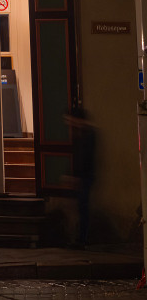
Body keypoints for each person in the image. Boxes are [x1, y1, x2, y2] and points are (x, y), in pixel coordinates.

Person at [66, 105, 98, 245]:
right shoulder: (82, 133)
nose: (69, 123)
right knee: (81, 207)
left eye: (70, 120)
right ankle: (81, 237)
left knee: (83, 208)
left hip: (85, 176)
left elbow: (85, 158)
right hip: (83, 176)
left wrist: (76, 176)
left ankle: (82, 239)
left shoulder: (88, 134)